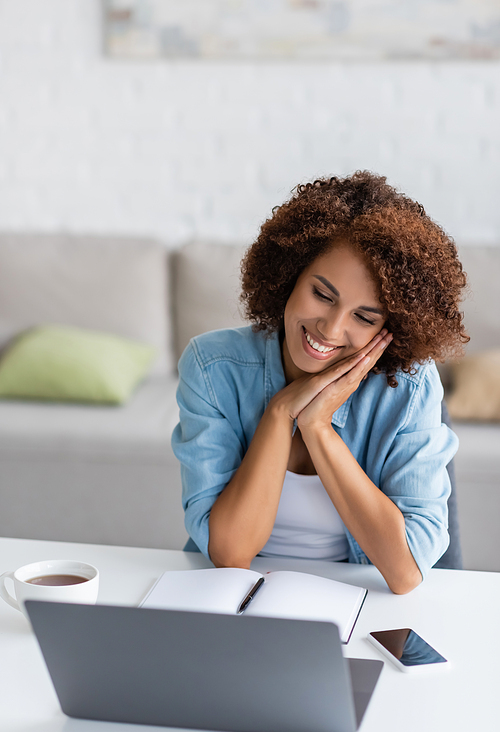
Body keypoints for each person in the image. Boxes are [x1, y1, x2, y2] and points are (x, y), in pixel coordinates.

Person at [172, 171, 468, 594]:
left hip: (358, 605)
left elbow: (404, 572)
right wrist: (279, 412)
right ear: (290, 274)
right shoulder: (213, 367)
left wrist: (317, 427)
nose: (330, 329)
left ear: (391, 328)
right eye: (322, 294)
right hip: (231, 602)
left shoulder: (410, 387)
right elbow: (230, 554)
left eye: (364, 317)